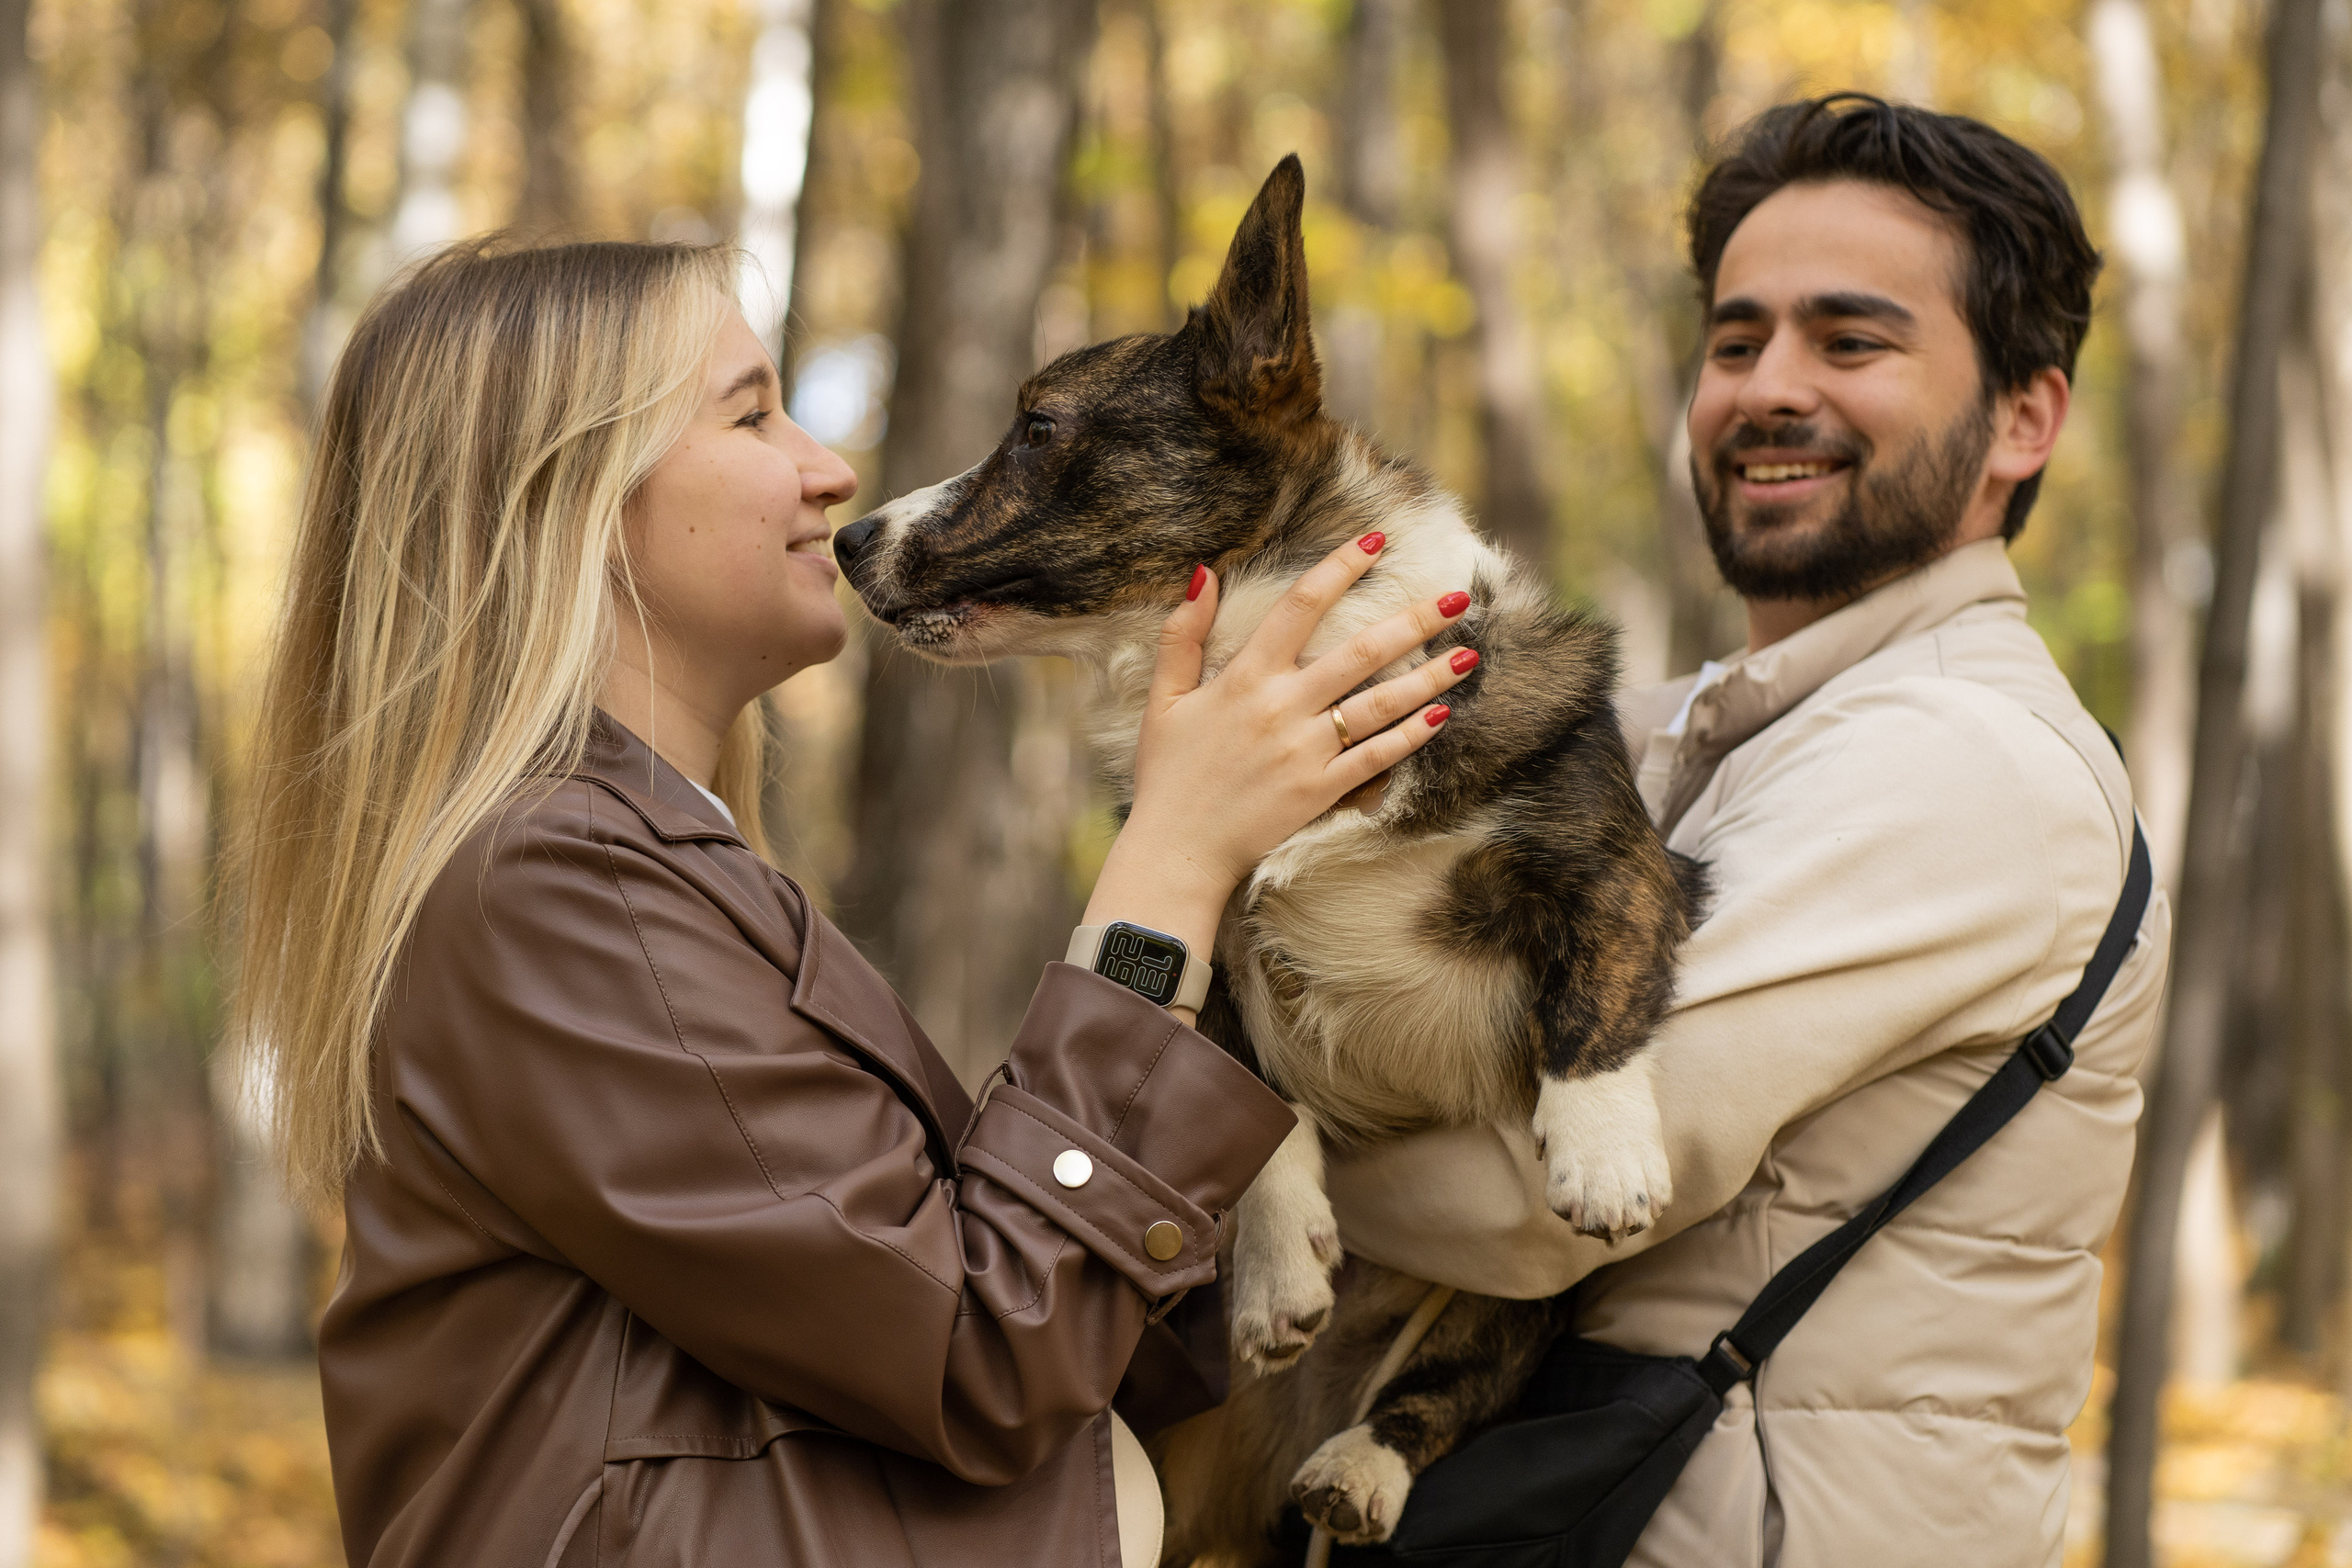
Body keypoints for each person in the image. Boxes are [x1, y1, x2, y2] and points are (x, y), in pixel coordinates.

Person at [226, 238, 1483, 1567]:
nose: (830, 469)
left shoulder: (647, 870)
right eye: (753, 412)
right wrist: (1171, 862)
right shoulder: (553, 889)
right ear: (572, 495)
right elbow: (977, 1348)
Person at [1326, 95, 2172, 1566]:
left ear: (2025, 418)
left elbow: (1545, 1200)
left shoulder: (1962, 763)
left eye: (1851, 342)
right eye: (1735, 341)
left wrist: (1182, 1152)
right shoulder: (1699, 731)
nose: (1768, 389)